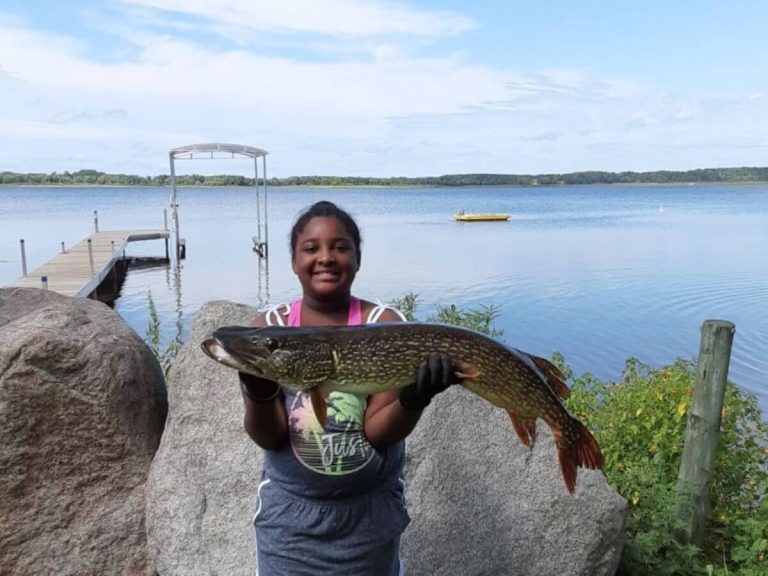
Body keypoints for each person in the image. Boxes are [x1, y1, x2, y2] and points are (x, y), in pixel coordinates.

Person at [238, 200, 458, 575]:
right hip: (290, 524)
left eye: (340, 247)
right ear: (293, 260)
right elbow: (269, 436)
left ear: (358, 258)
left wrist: (413, 399)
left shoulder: (385, 325)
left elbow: (377, 433)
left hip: (369, 521)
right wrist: (258, 391)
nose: (326, 257)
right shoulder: (270, 331)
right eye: (311, 248)